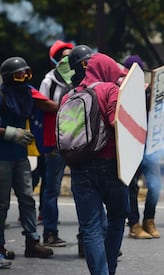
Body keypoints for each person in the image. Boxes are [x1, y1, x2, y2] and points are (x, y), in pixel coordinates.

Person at [64, 52, 129, 275]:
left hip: (79, 168)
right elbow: (116, 121)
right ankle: (109, 270)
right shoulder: (110, 89)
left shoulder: (69, 96)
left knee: (90, 228)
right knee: (117, 218)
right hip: (110, 165)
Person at [0, 56, 56, 261]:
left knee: (27, 199)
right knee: (2, 204)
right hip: (2, 157)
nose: (23, 77)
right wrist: (10, 133)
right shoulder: (1, 95)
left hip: (21, 155)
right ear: (9, 77)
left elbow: (50, 106)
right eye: (19, 74)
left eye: (26, 73)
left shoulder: (28, 93)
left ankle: (32, 242)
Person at [38, 39, 74, 247]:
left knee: (82, 189)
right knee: (52, 189)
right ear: (55, 60)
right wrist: (66, 104)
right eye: (64, 57)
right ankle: (50, 233)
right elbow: (42, 104)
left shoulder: (81, 79)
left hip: (78, 143)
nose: (68, 60)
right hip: (55, 142)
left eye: (72, 56)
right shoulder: (49, 80)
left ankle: (85, 237)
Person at [123, 55, 162, 239]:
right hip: (131, 145)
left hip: (149, 146)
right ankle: (134, 224)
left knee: (155, 184)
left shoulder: (147, 91)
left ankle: (149, 219)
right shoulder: (120, 90)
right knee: (132, 187)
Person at [67, 44, 93, 257]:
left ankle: (93, 242)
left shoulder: (101, 86)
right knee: (86, 206)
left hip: (97, 153)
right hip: (80, 154)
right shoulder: (71, 93)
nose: (90, 67)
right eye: (86, 63)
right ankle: (85, 241)